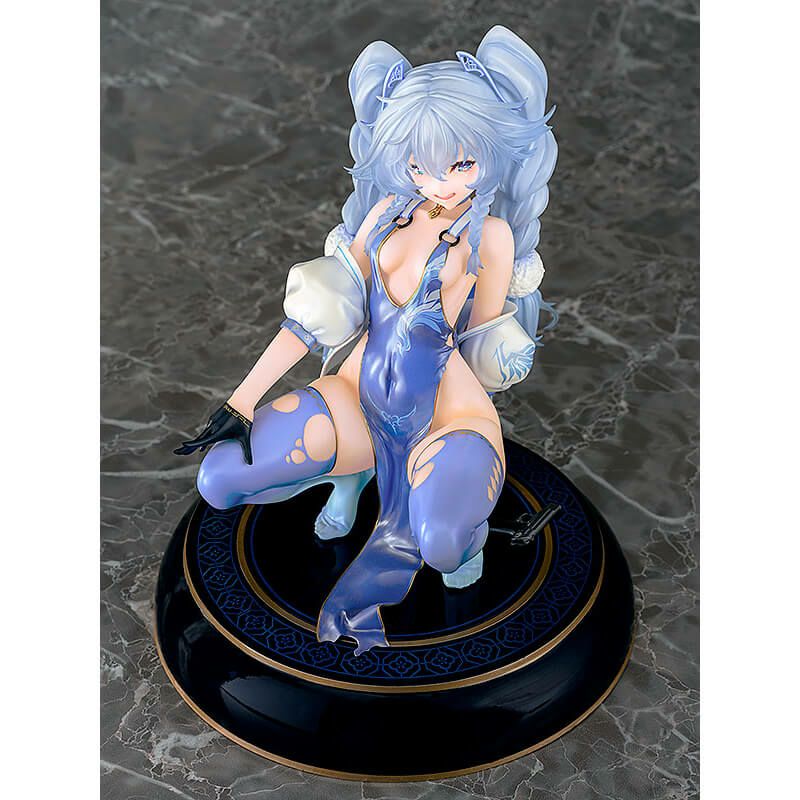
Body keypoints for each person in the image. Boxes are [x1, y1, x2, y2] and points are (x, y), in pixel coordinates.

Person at [174, 25, 558, 655]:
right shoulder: (383, 216)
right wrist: (240, 401)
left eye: (460, 164)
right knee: (220, 477)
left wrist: (505, 351)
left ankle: (465, 536)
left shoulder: (490, 236)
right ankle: (349, 477)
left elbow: (482, 337)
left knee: (441, 545)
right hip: (354, 396)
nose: (439, 182)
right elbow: (319, 315)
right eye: (419, 166)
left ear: (490, 153)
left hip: (445, 410)